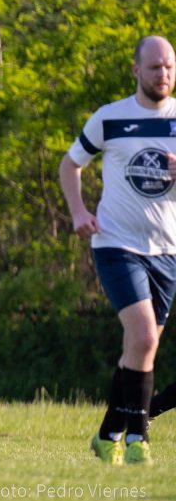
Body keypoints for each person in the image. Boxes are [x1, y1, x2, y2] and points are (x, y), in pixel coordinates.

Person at [59, 35, 176, 465]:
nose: (162, 74)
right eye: (153, 67)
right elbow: (70, 164)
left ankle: (108, 433)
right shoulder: (110, 119)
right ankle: (136, 440)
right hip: (116, 243)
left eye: (168, 66)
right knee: (144, 337)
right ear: (135, 71)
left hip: (167, 252)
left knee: (138, 349)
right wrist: (78, 212)